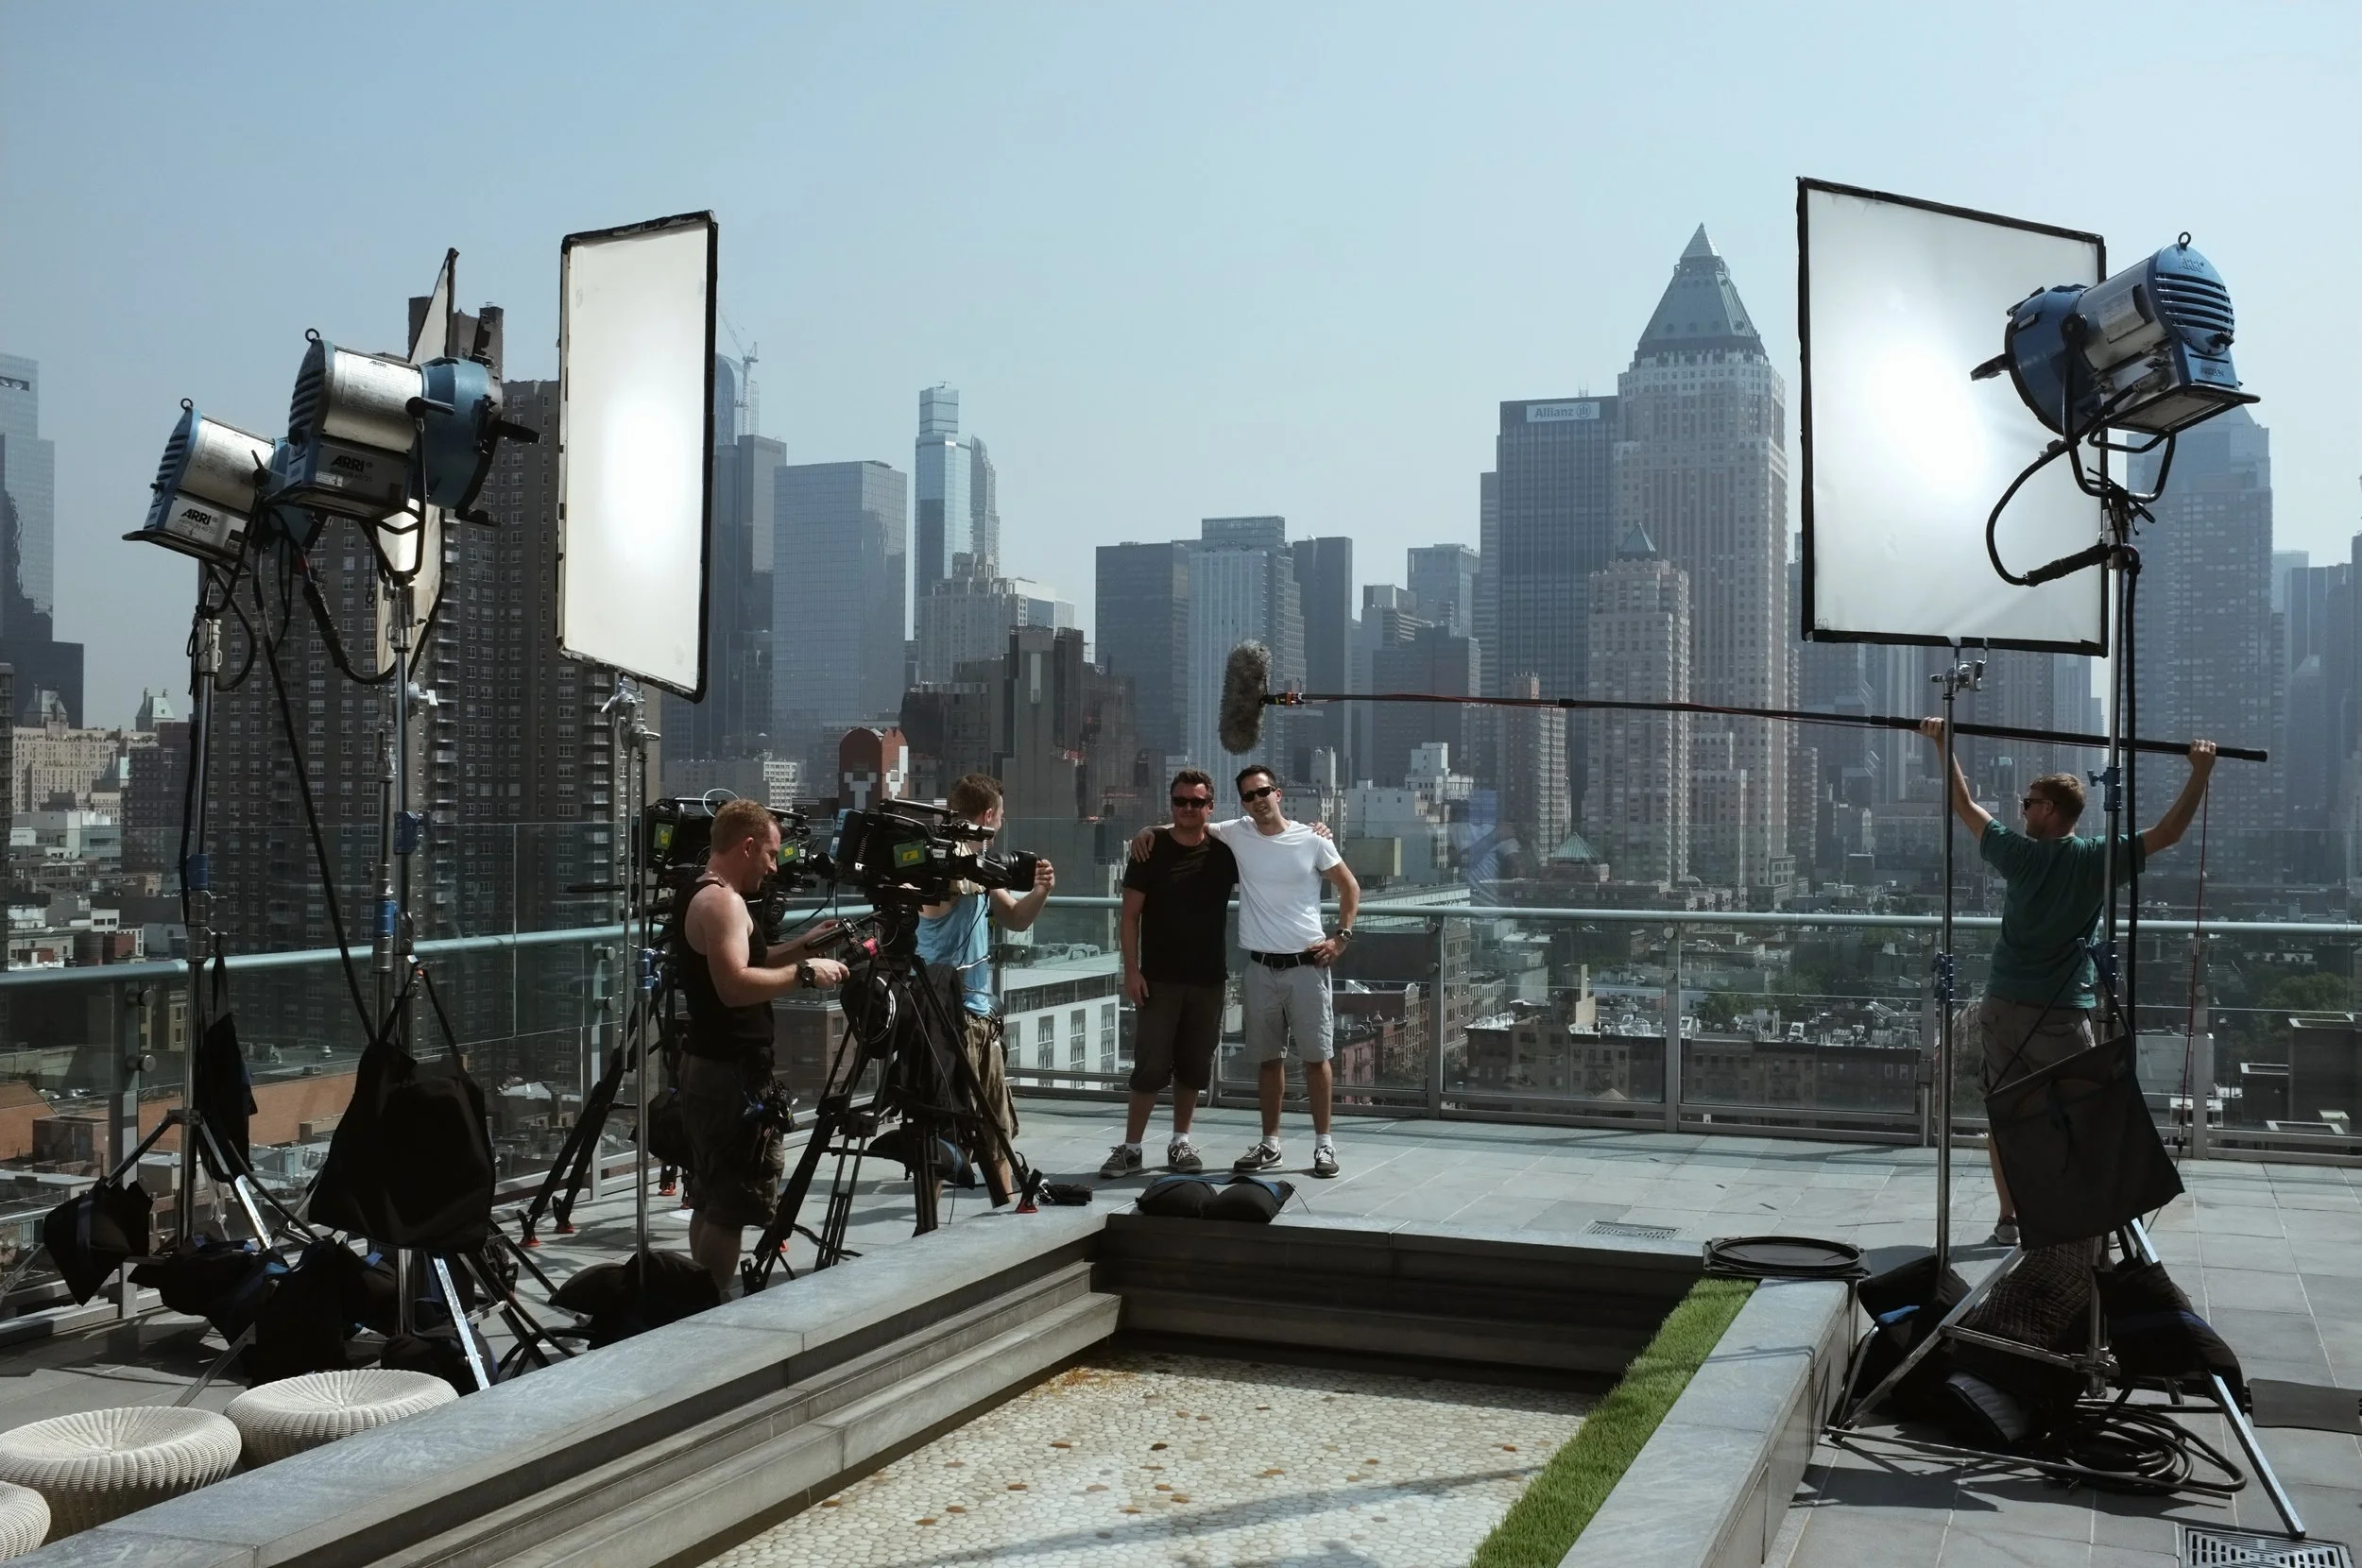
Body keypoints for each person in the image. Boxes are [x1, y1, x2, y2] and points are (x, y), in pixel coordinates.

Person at [1923, 719, 2217, 1246]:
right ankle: (2077, 1216)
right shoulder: (2096, 859)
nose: (2023, 810)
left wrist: (1944, 744)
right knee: (2080, 1113)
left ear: (2052, 811)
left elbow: (1964, 805)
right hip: (2059, 1012)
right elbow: (2169, 834)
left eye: (2030, 803)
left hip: (2005, 1006)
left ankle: (2010, 1220)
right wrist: (2200, 772)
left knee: (2007, 1111)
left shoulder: (2020, 854)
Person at [1132, 764, 1360, 1178]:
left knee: (1317, 1057)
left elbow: (1349, 886)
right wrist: (1146, 830)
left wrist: (1341, 938)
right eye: (1249, 795)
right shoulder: (1237, 833)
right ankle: (1270, 1144)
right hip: (1259, 967)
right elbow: (1189, 821)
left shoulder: (1311, 839)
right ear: (1241, 803)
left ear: (1279, 792)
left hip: (1307, 964)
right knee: (1267, 1060)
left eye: (1263, 792)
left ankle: (1324, 1146)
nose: (1257, 800)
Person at [678, 798, 849, 1291]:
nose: (775, 867)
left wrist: (804, 946)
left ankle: (696, 1300)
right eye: (771, 855)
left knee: (710, 1198)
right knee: (728, 1207)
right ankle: (708, 1311)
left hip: (710, 1065)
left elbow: (745, 959)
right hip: (730, 1073)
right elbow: (734, 986)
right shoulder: (724, 903)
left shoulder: (706, 892)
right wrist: (804, 974)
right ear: (747, 845)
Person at [916, 773, 1056, 1199]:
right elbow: (939, 898)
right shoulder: (948, 865)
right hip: (951, 1014)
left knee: (993, 1125)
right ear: (990, 815)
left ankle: (1001, 1207)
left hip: (973, 1012)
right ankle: (938, 1225)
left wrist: (1041, 890)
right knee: (953, 1128)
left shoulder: (975, 867)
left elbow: (1015, 918)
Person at [1102, 769, 1239, 1179]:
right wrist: (1131, 970)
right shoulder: (1150, 848)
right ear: (1171, 804)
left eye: (1197, 802)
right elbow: (1129, 916)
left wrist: (1317, 830)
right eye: (1180, 801)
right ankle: (1131, 1147)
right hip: (1157, 978)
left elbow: (1270, 836)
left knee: (1194, 1064)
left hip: (1208, 978)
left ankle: (1181, 1141)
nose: (1188, 809)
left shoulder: (1224, 850)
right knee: (1149, 1065)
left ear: (1210, 807)